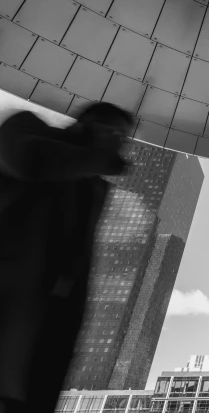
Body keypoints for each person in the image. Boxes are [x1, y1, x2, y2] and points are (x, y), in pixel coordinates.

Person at [0, 102, 133, 413]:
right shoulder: (26, 128)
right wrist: (100, 158)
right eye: (116, 134)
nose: (121, 145)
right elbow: (27, 161)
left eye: (124, 139)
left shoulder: (93, 186)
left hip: (44, 343)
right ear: (90, 126)